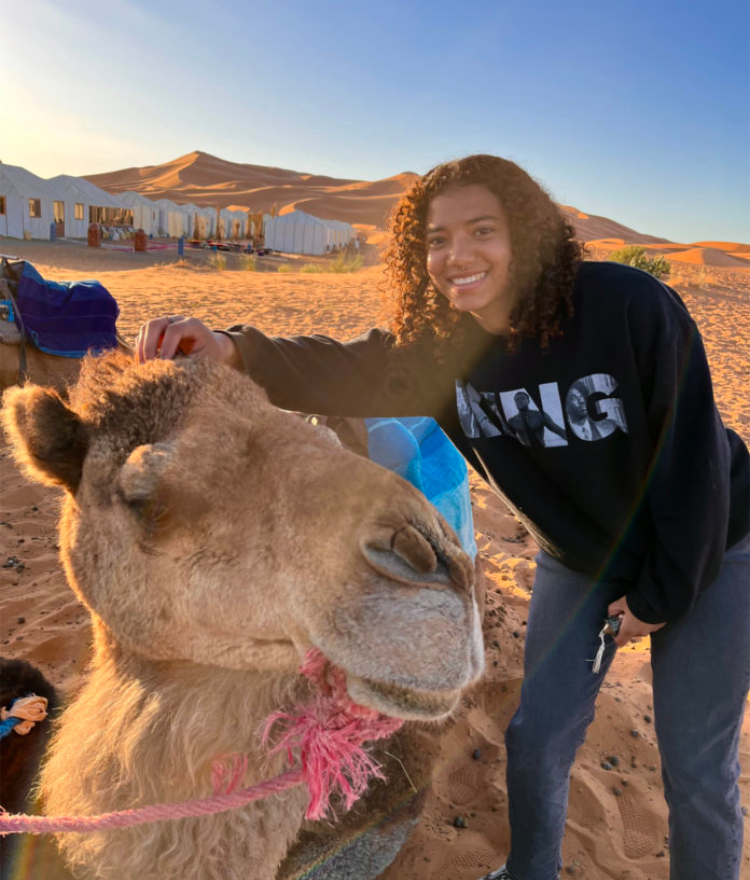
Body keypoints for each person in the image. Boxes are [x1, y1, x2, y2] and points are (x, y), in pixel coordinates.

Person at [137, 154, 749, 880]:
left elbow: (694, 465)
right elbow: (348, 367)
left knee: (695, 766)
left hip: (716, 551)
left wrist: (660, 597)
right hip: (579, 558)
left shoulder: (628, 307)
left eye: (481, 230)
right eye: (435, 239)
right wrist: (233, 348)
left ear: (526, 234)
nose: (456, 255)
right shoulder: (444, 350)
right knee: (537, 738)